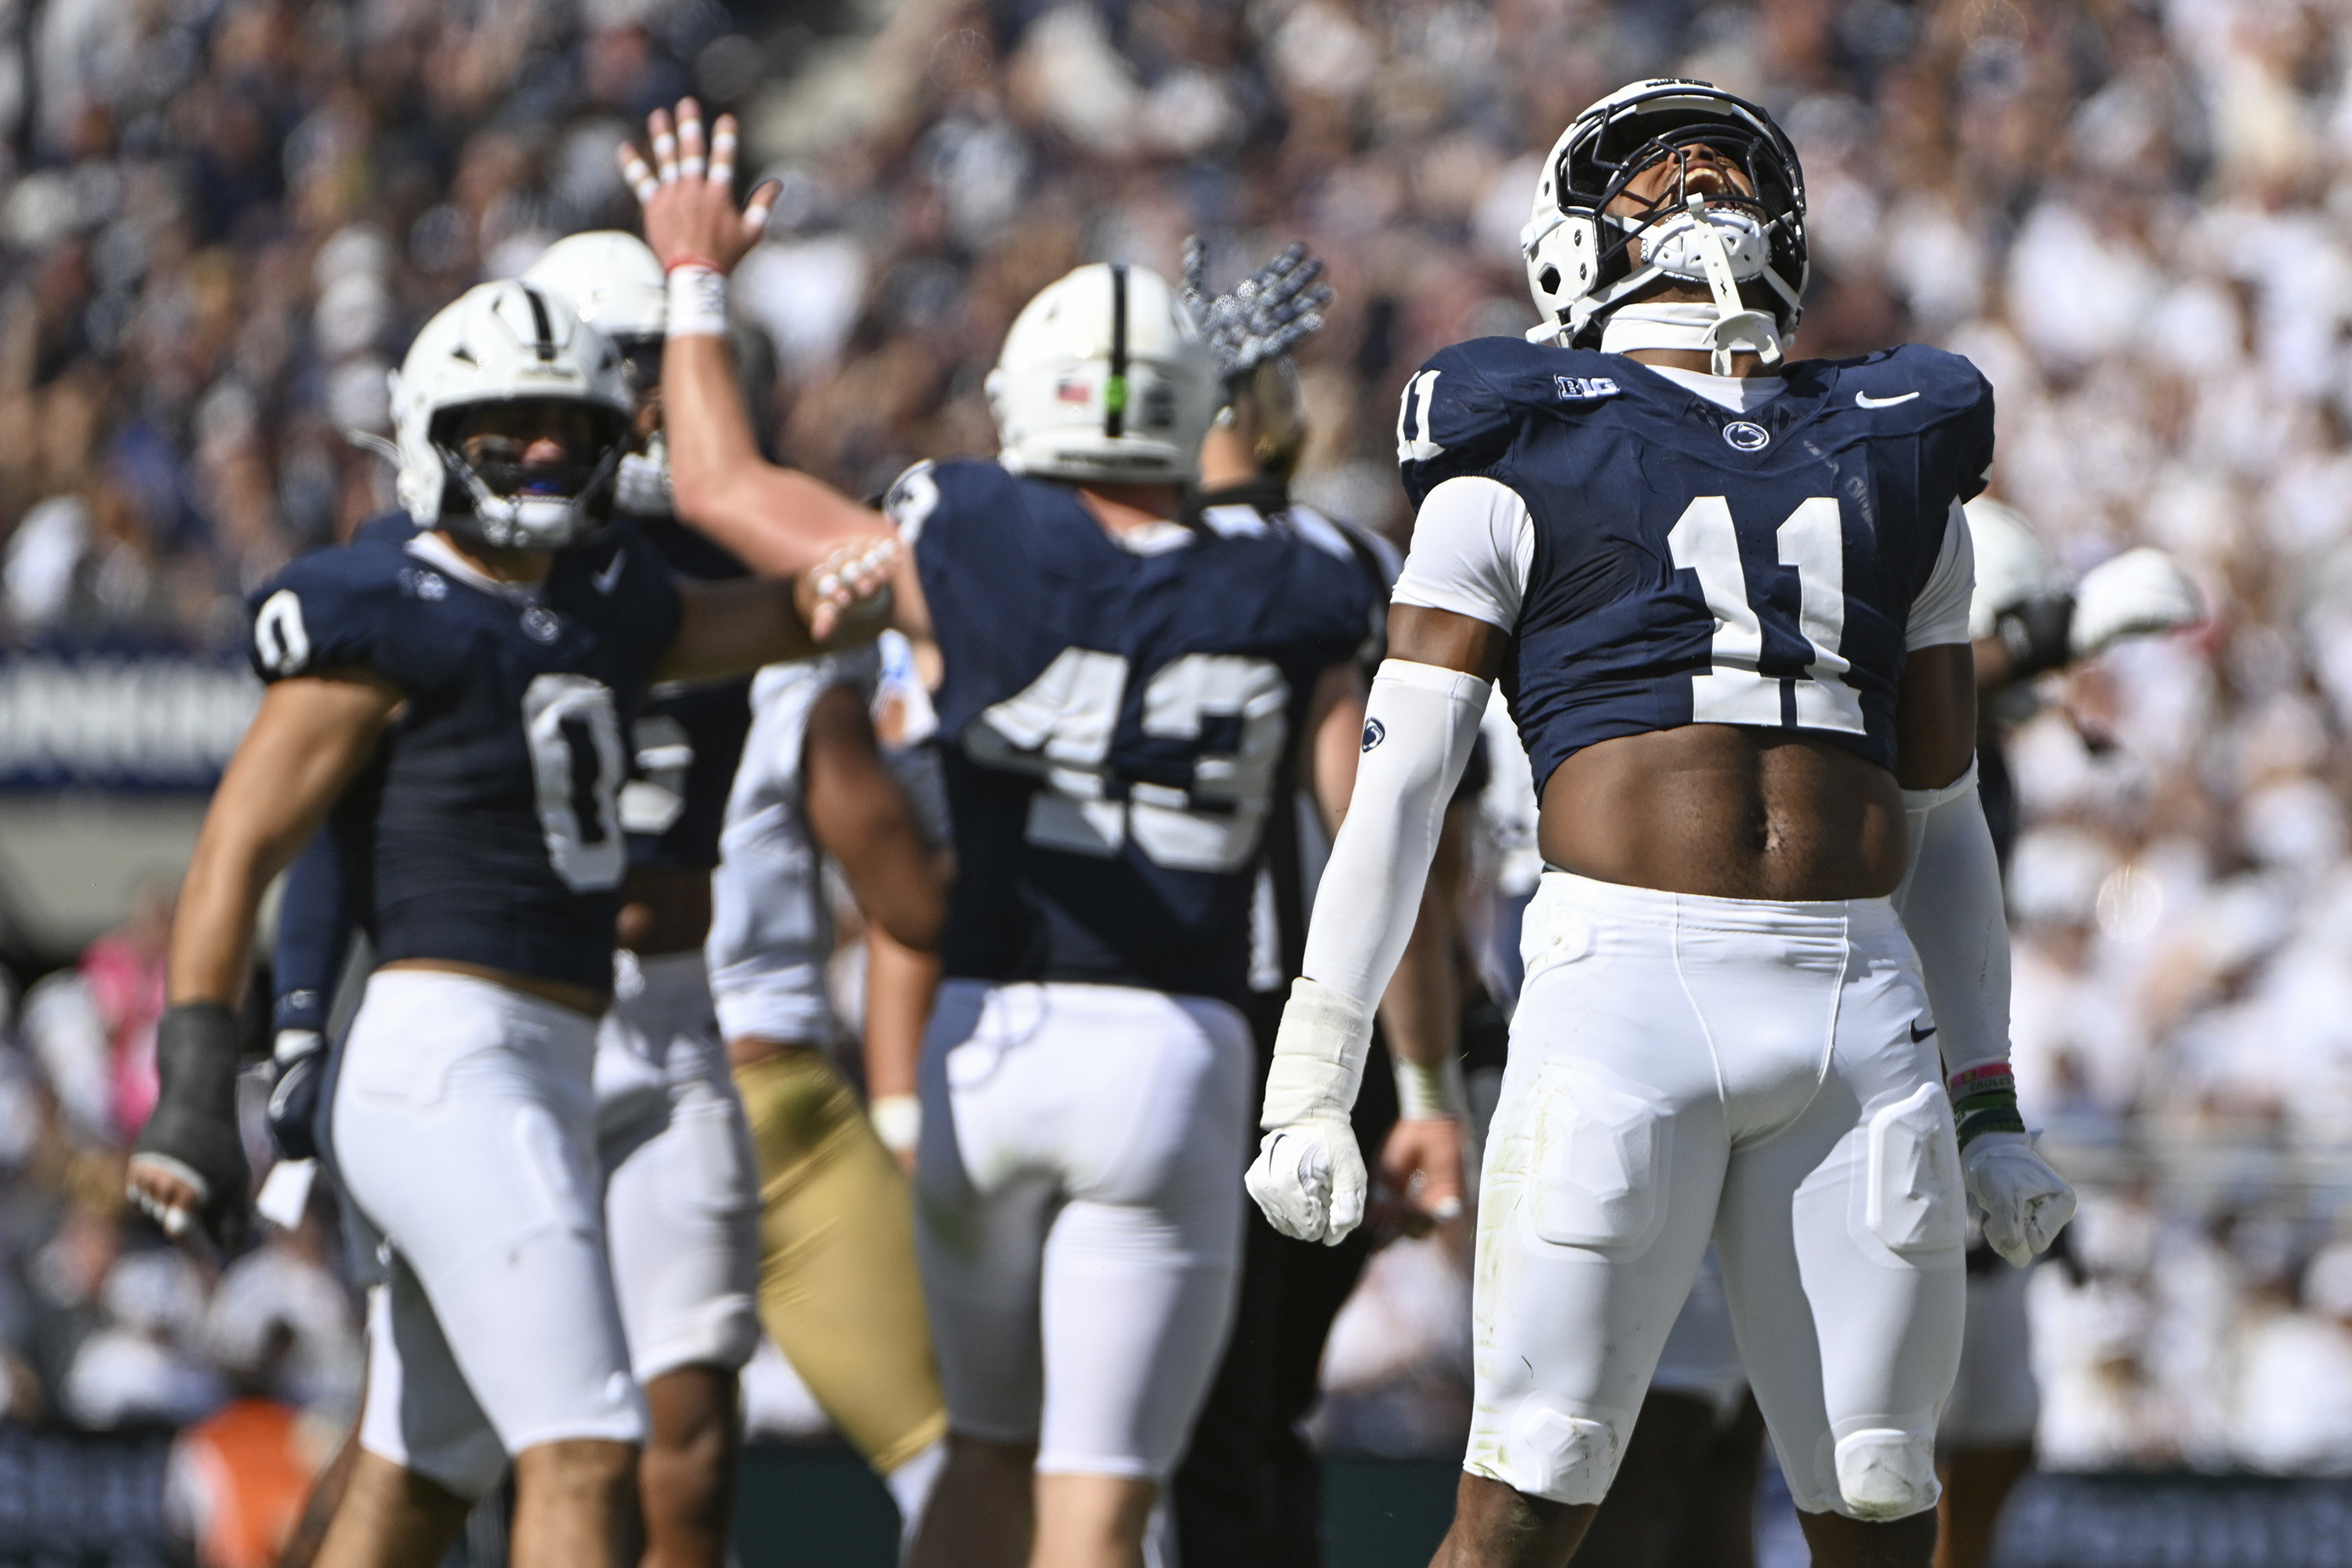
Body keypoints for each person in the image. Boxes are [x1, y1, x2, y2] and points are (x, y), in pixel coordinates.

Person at [1241, 78, 2078, 1568]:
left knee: (1884, 1497)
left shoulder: (1901, 444)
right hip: (1621, 983)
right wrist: (1318, 1073)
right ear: (1569, 240)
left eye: (1728, 168)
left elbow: (1944, 821)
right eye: (1648, 175)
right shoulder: (1511, 446)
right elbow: (1399, 793)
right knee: (1529, 1494)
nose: (1697, 190)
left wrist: (1988, 1097)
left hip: (1851, 991)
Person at [619, 96, 1457, 1568]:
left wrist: (694, 275)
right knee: (1098, 1507)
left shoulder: (967, 532)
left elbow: (722, 489)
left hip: (988, 1046)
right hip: (1175, 1053)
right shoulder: (1300, 575)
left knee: (985, 1468)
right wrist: (1424, 1082)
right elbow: (1381, 844)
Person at [123, 270, 891, 1568]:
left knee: (424, 1472)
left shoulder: (602, 602)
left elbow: (776, 614)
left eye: (571, 428)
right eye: (508, 425)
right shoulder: (383, 610)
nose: (542, 453)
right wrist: (199, 1084)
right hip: (449, 1062)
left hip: (541, 1059)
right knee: (589, 1447)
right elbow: (237, 854)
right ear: (433, 431)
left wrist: (900, 553)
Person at [260, 230, 771, 1568]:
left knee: (621, 1443)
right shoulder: (432, 569)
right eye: (640, 369)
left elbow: (815, 599)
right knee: (517, 1444)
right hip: (468, 1026)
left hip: (646, 1020)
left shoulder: (701, 554)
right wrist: (299, 1022)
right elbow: (318, 822)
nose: (662, 403)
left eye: (672, 371)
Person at [1170, 330, 1471, 1568]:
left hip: (1182, 1018)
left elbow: (1369, 822)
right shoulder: (1351, 564)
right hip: (1325, 1032)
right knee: (1250, 1421)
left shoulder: (1118, 555)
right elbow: (1402, 845)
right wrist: (1428, 1078)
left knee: (1196, 1431)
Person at [703, 636, 955, 1551]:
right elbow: (917, 901)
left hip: (610, 1088)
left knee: (624, 1475)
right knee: (960, 1455)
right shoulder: (788, 675)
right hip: (767, 1098)